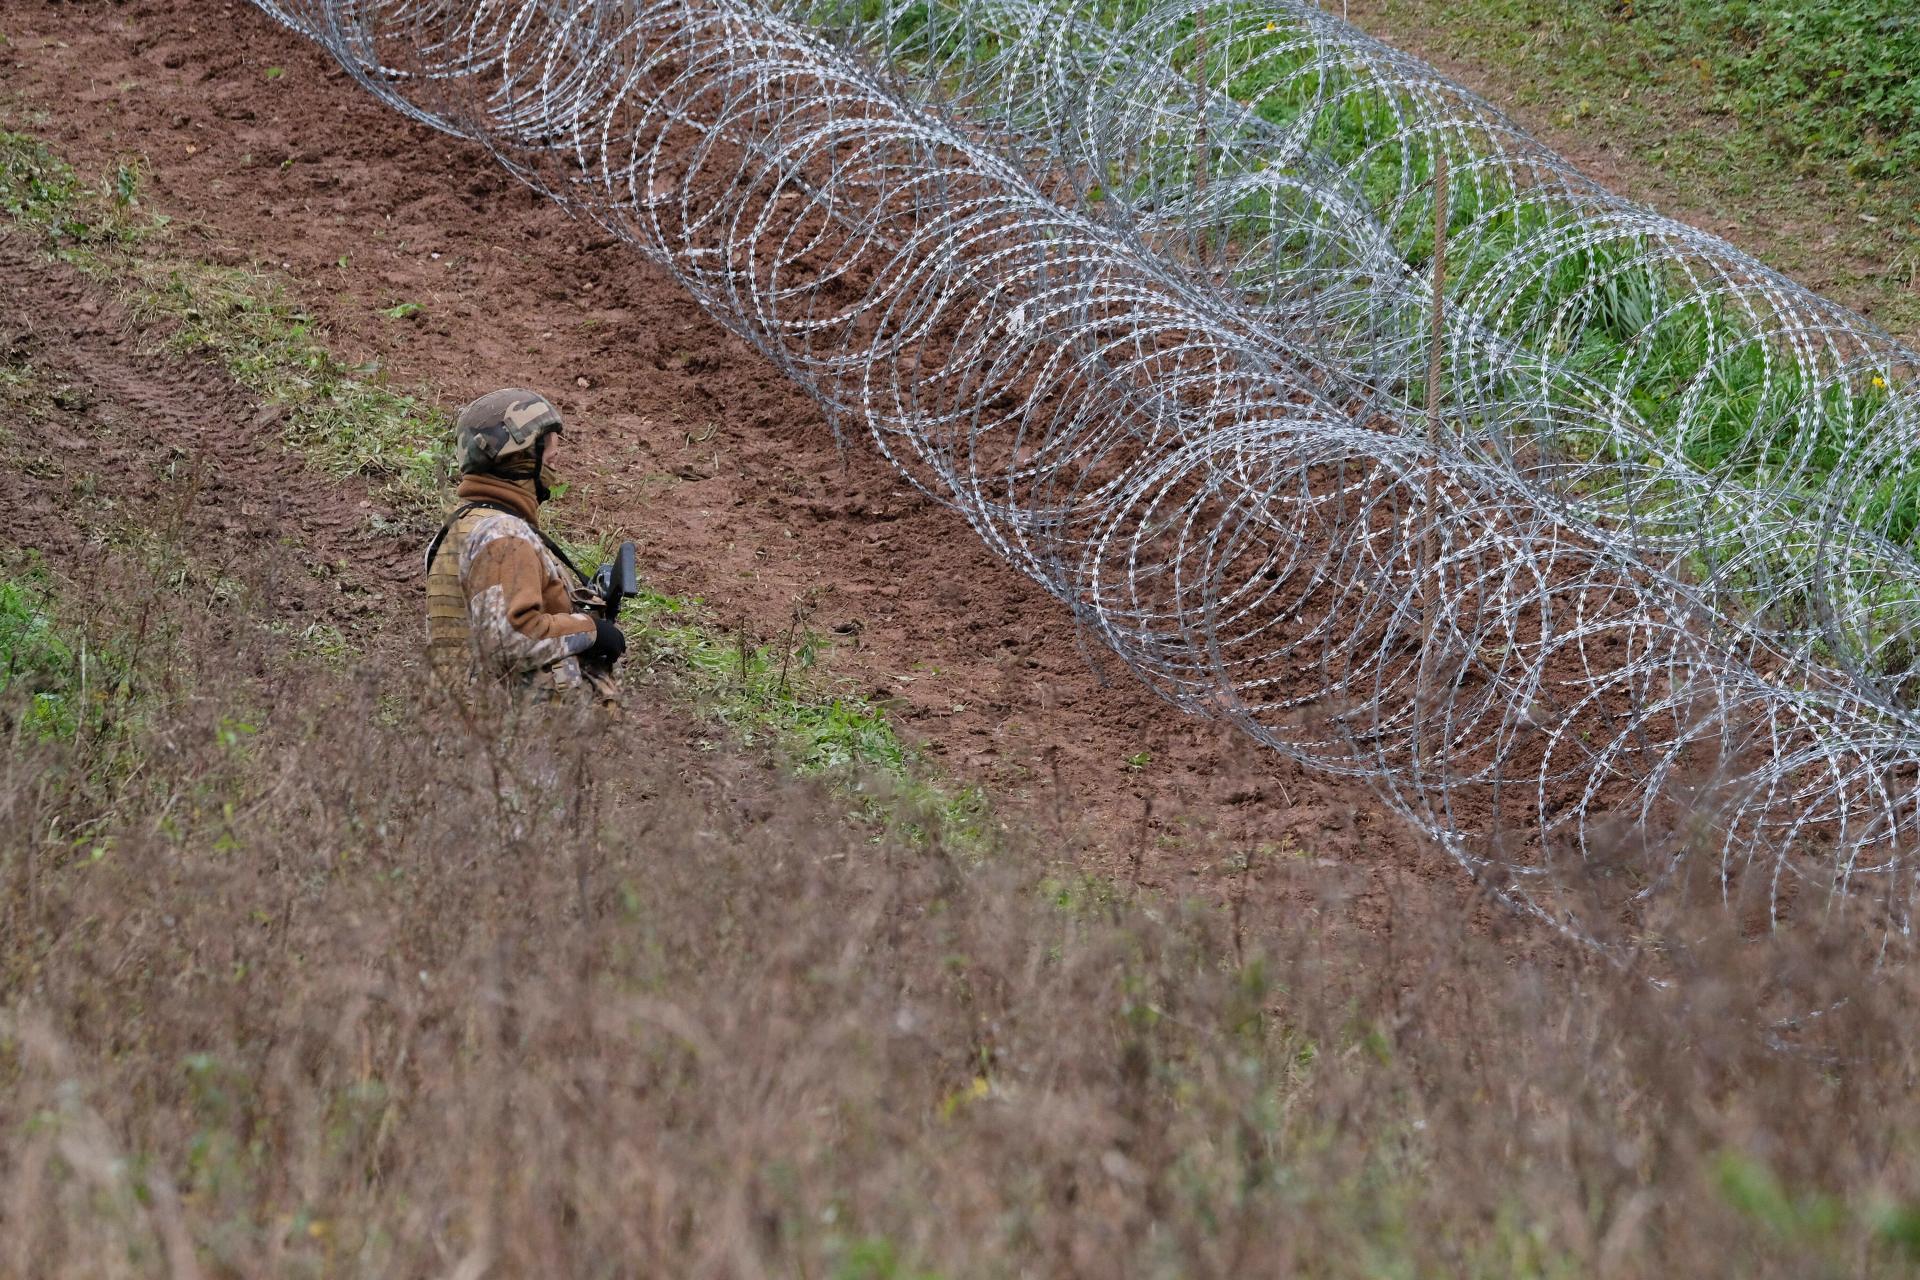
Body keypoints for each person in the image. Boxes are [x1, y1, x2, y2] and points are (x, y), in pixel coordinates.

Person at [423, 388, 625, 704]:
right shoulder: (502, 536)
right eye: (550, 458)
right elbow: (510, 638)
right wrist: (591, 631)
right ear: (520, 459)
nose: (555, 469)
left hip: (479, 732)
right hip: (504, 736)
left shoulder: (471, 525)